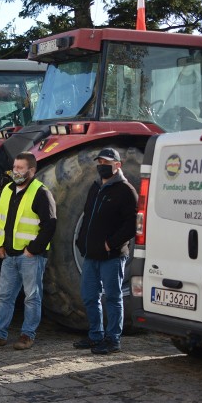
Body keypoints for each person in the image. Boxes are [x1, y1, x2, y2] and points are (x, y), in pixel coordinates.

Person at [0, 152, 56, 350]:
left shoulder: (41, 192)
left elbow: (50, 224)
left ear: (32, 170)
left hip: (30, 256)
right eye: (14, 167)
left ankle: (27, 335)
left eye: (20, 168)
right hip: (9, 254)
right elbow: (0, 220)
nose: (16, 171)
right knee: (4, 296)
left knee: (32, 297)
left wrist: (33, 249)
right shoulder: (8, 189)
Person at [74, 148, 137, 355]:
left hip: (112, 257)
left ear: (117, 165)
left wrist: (112, 244)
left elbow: (131, 225)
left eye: (106, 162)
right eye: (99, 161)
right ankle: (95, 335)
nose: (102, 165)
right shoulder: (94, 187)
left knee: (113, 297)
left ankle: (113, 339)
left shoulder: (126, 191)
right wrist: (81, 241)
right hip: (91, 255)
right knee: (89, 296)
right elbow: (87, 215)